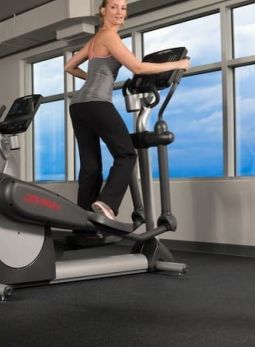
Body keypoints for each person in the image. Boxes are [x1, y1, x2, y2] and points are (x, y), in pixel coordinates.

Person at [64, 0, 189, 220]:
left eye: (123, 8)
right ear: (102, 10)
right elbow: (137, 67)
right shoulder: (110, 36)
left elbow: (69, 66)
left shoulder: (95, 40)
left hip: (78, 105)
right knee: (126, 154)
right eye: (113, 7)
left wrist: (92, 79)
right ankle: (106, 203)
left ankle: (83, 225)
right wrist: (177, 65)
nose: (119, 12)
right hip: (97, 103)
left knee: (90, 166)